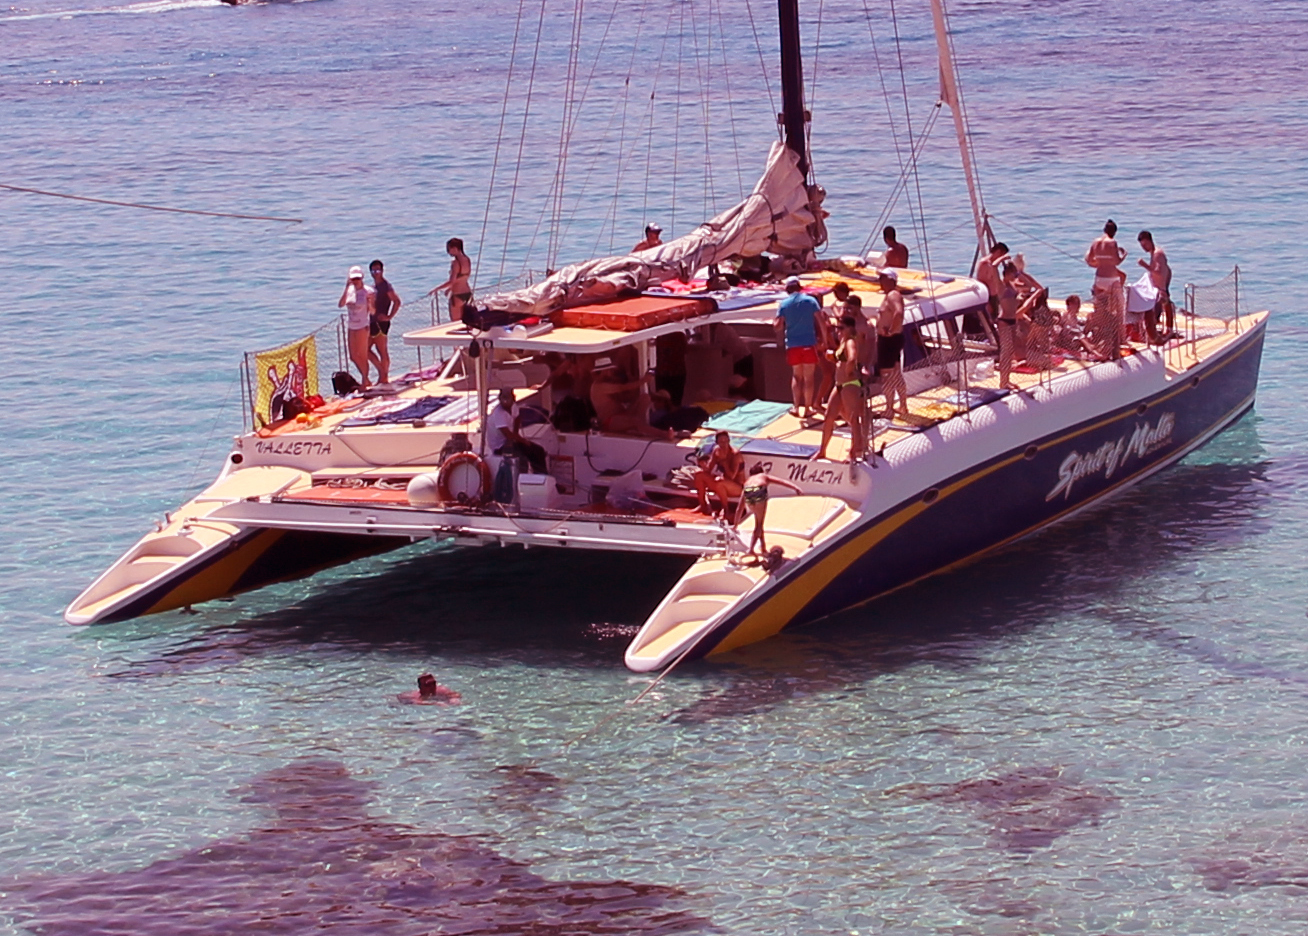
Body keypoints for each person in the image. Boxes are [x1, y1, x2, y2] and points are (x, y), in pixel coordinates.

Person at [814, 316, 866, 463]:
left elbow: (852, 358)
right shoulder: (843, 341)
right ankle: (822, 450)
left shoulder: (850, 341)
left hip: (850, 383)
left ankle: (854, 451)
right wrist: (833, 358)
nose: (838, 331)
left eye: (841, 328)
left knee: (853, 419)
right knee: (829, 416)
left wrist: (849, 370)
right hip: (840, 383)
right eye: (837, 328)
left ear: (850, 329)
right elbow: (842, 360)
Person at [774, 276, 826, 420]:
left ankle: (796, 407)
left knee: (797, 376)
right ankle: (808, 408)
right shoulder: (810, 301)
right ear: (800, 287)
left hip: (793, 344)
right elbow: (821, 322)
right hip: (809, 343)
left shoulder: (784, 304)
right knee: (809, 378)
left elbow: (777, 326)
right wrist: (825, 341)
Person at [735, 467, 803, 556]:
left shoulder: (748, 482)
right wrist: (796, 488)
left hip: (748, 493)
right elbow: (781, 481)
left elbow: (739, 508)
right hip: (759, 491)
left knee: (759, 522)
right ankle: (751, 549)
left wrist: (735, 525)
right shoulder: (763, 476)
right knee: (759, 524)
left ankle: (763, 548)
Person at [1085, 220, 1127, 358]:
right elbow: (1116, 261)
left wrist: (1100, 262)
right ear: (1114, 232)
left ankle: (1100, 336)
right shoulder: (1112, 242)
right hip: (1111, 279)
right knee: (1119, 308)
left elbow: (1089, 260)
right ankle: (1121, 338)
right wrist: (1124, 254)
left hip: (1099, 279)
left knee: (1100, 308)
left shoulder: (1096, 242)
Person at [486, 387, 548, 474]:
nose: (505, 401)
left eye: (508, 397)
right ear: (500, 399)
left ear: (513, 398)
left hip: (511, 441)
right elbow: (508, 435)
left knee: (538, 450)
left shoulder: (513, 407)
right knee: (522, 458)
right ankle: (521, 483)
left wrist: (515, 433)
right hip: (499, 446)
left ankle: (541, 477)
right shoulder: (498, 413)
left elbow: (517, 418)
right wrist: (523, 440)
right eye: (503, 398)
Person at [875, 269, 909, 422]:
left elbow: (899, 313)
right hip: (891, 339)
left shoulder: (893, 295)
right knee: (895, 373)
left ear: (891, 280)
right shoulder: (889, 295)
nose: (880, 281)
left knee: (887, 375)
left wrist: (891, 330)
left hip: (889, 340)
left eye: (883, 278)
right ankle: (902, 405)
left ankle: (889, 408)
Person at [338, 265, 374, 389]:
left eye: (358, 278)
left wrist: (369, 303)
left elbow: (373, 311)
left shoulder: (368, 291)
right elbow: (341, 304)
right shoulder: (350, 291)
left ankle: (364, 381)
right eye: (353, 279)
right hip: (351, 326)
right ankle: (366, 378)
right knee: (353, 356)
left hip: (362, 326)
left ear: (362, 278)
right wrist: (346, 287)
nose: (356, 281)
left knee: (362, 355)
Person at [694, 430, 746, 516]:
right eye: (721, 442)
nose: (724, 444)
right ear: (717, 442)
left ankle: (725, 510)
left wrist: (724, 463)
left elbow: (732, 477)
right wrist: (702, 465)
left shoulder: (735, 454)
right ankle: (703, 505)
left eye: (726, 441)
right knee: (699, 475)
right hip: (723, 482)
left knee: (719, 482)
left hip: (738, 487)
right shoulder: (716, 450)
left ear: (729, 440)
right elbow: (709, 469)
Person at [367, 260, 402, 385]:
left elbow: (397, 301)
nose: (376, 273)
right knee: (366, 350)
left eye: (378, 270)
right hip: (372, 322)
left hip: (380, 322)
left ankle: (383, 376)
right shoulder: (373, 287)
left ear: (382, 271)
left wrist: (389, 316)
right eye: (373, 271)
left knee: (381, 350)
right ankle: (382, 373)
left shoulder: (385, 286)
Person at [1137, 230, 1174, 343]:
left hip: (1160, 287)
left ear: (1149, 241)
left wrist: (1145, 266)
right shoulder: (1153, 253)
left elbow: (1158, 270)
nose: (1143, 248)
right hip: (1158, 286)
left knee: (1163, 304)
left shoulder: (1158, 254)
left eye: (1145, 245)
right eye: (1142, 246)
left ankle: (1168, 329)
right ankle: (1165, 328)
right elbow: (1168, 270)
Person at [428, 237, 473, 321]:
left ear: (455, 248)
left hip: (457, 295)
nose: (448, 252)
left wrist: (436, 289)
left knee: (455, 322)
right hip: (467, 293)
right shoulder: (467, 260)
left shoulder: (455, 263)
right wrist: (450, 288)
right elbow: (464, 277)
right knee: (467, 321)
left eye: (449, 249)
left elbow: (451, 281)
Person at [974, 241, 1009, 335]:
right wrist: (987, 301)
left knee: (995, 318)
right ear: (998, 252)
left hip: (995, 296)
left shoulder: (994, 265)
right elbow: (982, 282)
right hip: (988, 297)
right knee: (989, 320)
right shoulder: (985, 264)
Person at [397, 672, 462, 705]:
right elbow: (417, 703)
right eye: (428, 685)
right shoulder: (415, 696)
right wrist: (435, 704)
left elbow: (456, 694)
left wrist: (453, 700)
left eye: (433, 683)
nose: (432, 687)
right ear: (421, 687)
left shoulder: (441, 690)